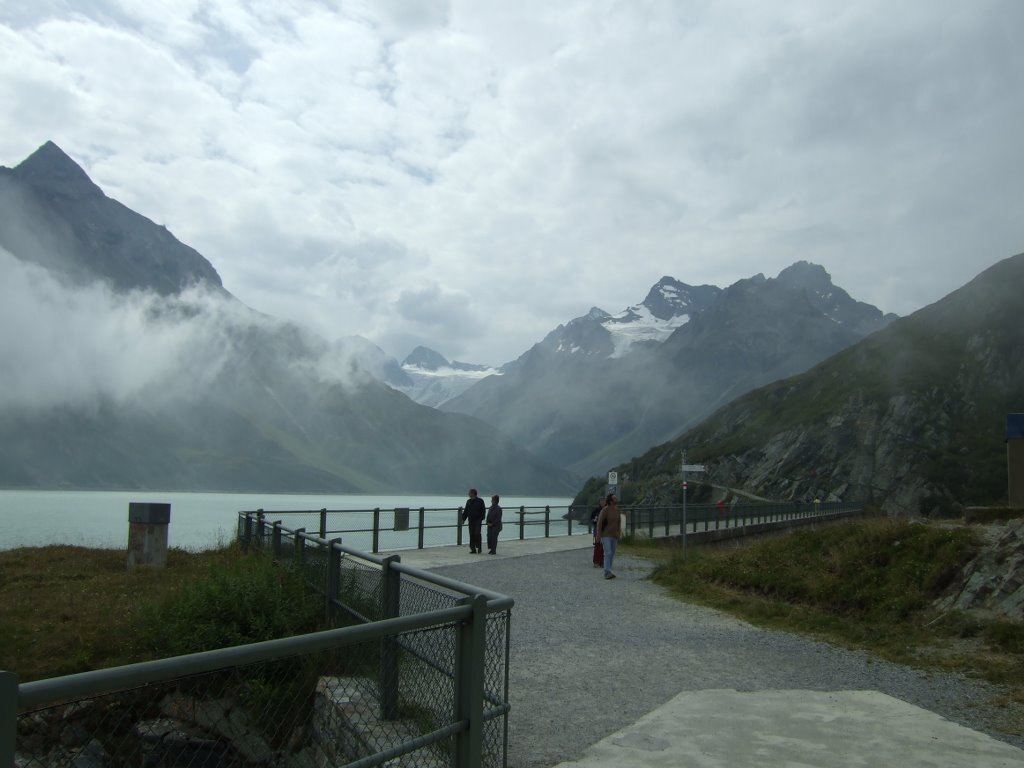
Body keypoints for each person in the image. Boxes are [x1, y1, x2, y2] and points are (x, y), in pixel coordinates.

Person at [595, 493, 621, 580]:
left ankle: (609, 570)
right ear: (610, 500)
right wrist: (598, 535)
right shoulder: (605, 510)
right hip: (606, 535)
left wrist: (619, 533)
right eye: (615, 498)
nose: (616, 499)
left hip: (614, 535)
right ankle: (607, 572)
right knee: (608, 553)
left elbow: (619, 522)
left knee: (612, 553)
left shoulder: (617, 510)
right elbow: (599, 522)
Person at [462, 488, 486, 553]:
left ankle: (479, 547)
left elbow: (483, 510)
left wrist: (482, 518)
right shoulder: (468, 501)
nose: (468, 494)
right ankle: (473, 549)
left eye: (469, 493)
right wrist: (463, 519)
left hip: (478, 520)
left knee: (477, 533)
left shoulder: (480, 501)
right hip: (471, 521)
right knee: (471, 534)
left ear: (473, 493)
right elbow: (466, 511)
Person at [589, 498, 605, 568]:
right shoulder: (596, 510)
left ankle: (602, 562)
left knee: (604, 546)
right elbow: (591, 518)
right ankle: (596, 561)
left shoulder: (606, 510)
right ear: (599, 502)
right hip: (597, 529)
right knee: (597, 545)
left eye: (604, 501)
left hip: (605, 530)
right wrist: (594, 520)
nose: (602, 503)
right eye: (601, 501)